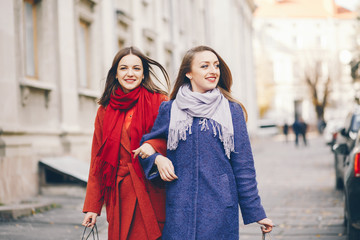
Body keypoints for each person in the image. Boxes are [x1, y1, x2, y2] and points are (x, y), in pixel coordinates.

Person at [137, 46, 273, 239]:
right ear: (189, 73)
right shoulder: (170, 109)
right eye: (204, 66)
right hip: (179, 207)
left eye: (216, 65)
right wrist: (158, 159)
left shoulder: (232, 111)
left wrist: (257, 212)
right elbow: (150, 145)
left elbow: (243, 166)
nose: (213, 71)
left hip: (220, 208)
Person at [81, 46, 170, 240]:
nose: (130, 73)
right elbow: (98, 160)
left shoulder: (160, 102)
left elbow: (171, 139)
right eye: (124, 68)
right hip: (119, 195)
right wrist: (93, 207)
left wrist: (153, 146)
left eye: (136, 68)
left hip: (151, 191)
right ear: (115, 73)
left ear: (144, 72)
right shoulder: (105, 109)